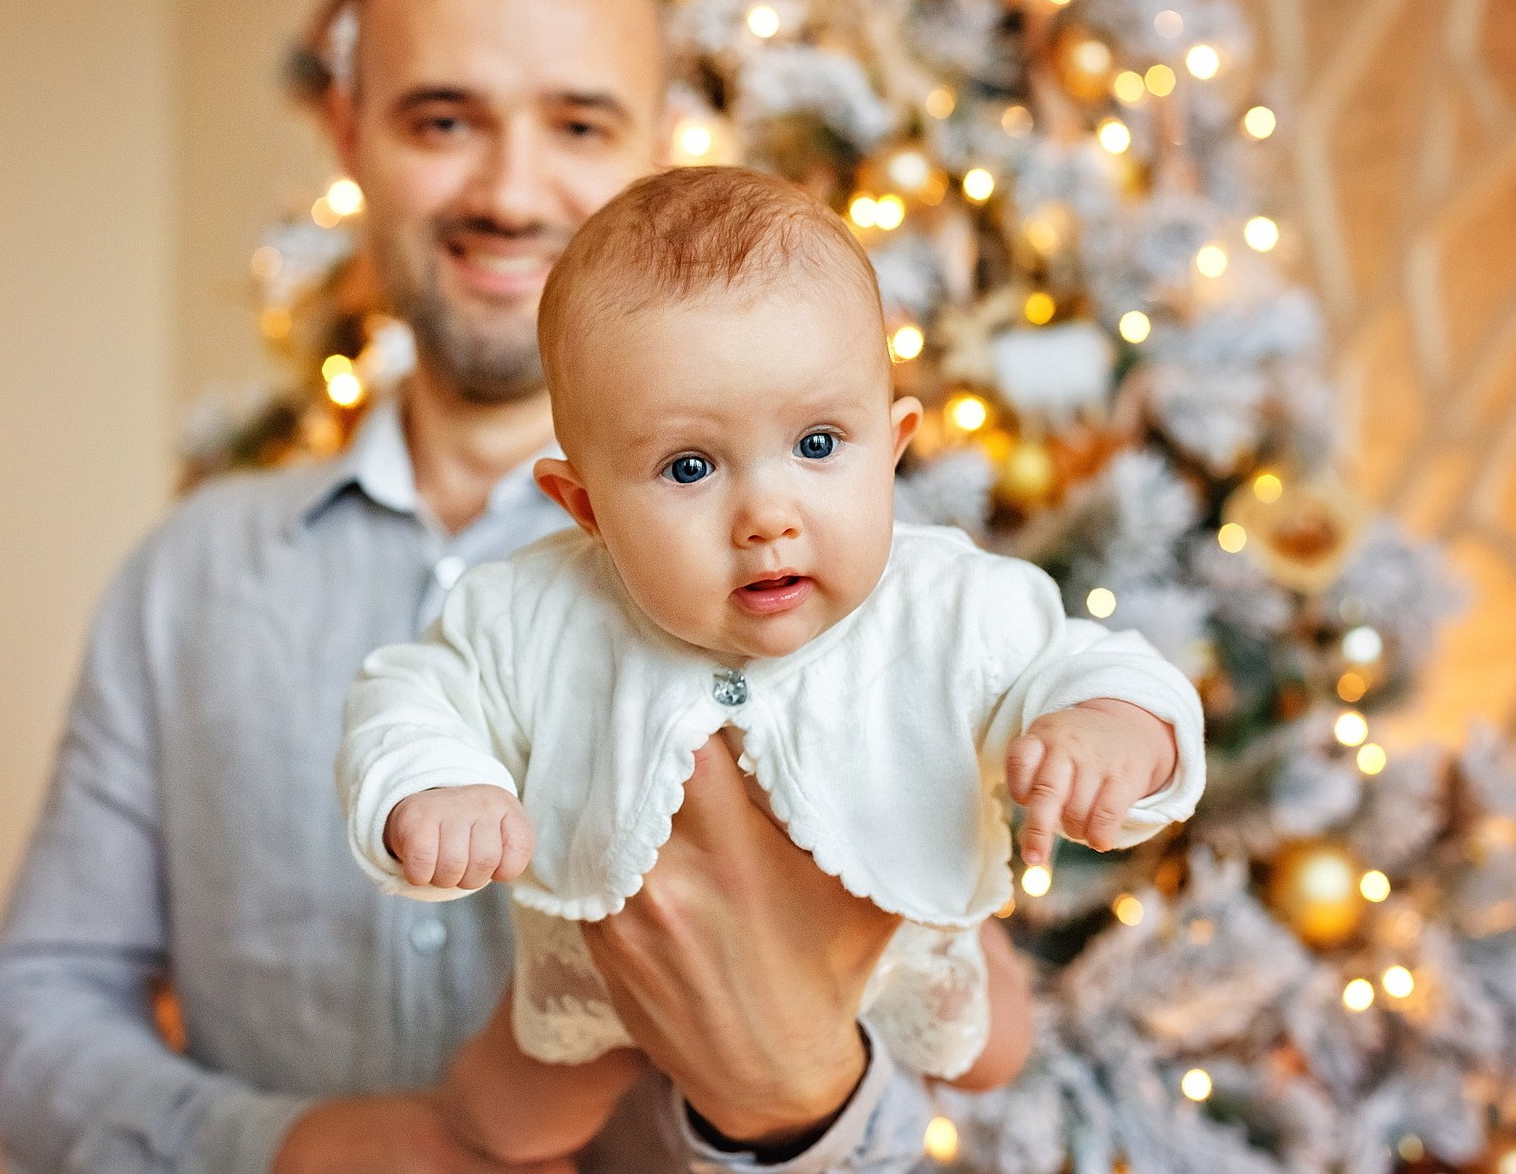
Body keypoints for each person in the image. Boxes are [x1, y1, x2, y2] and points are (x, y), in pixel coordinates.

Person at [0, 0, 952, 1174]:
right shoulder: (188, 579)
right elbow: (24, 1019)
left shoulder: (837, 581)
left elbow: (961, 1018)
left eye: (579, 123)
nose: (509, 190)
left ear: (660, 143)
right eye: (441, 120)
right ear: (348, 132)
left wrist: (796, 1098)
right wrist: (292, 1148)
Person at [337, 167, 1207, 1164]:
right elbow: (410, 694)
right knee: (506, 1115)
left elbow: (1098, 669)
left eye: (817, 442)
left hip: (897, 935)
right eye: (689, 467)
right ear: (585, 509)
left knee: (992, 1047)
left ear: (893, 447)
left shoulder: (954, 602)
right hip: (606, 959)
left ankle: (974, 962)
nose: (766, 515)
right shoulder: (528, 613)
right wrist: (432, 785)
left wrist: (1105, 731)